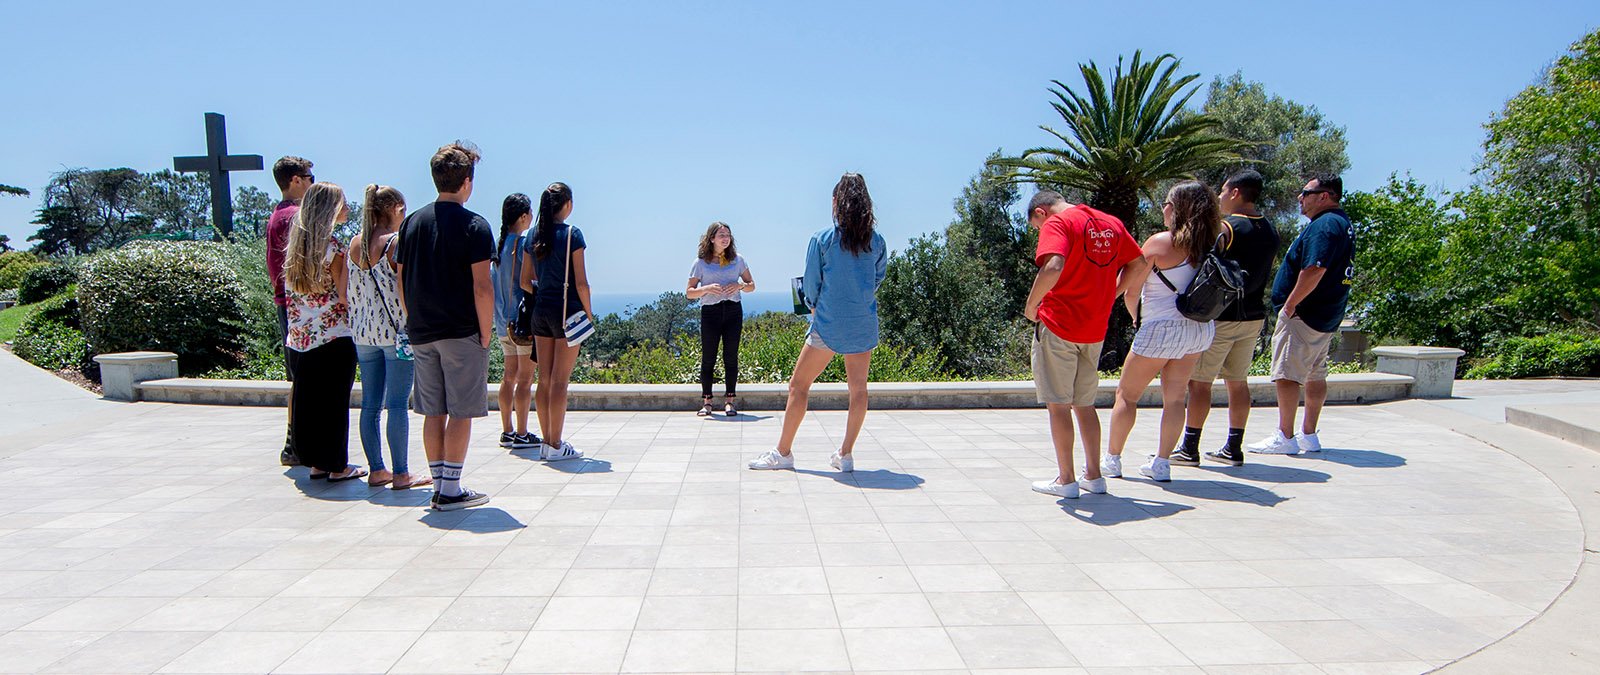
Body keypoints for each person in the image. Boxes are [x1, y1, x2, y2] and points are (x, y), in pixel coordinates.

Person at [748, 173, 886, 473]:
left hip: (828, 323)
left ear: (836, 202)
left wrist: (814, 305)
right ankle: (845, 455)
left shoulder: (822, 240)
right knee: (858, 389)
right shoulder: (876, 241)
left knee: (799, 386)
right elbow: (877, 277)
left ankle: (783, 453)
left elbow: (811, 285)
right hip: (862, 322)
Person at [1024, 191, 1146, 499]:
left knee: (1058, 405)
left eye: (1037, 227)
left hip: (1059, 323)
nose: (1040, 232)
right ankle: (1094, 475)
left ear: (1041, 213)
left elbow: (1052, 266)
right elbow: (1139, 263)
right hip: (1094, 328)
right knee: (1084, 404)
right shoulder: (1110, 223)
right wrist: (1112, 294)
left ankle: (1066, 480)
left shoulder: (1059, 222)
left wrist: (1031, 305)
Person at [395, 142, 495, 511]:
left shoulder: (412, 223)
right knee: (462, 410)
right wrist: (485, 333)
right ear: (466, 181)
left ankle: (439, 485)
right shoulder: (475, 226)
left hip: (422, 330)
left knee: (432, 410)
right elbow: (482, 287)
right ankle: (450, 489)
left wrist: (412, 318)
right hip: (461, 330)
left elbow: (401, 279)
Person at [1104, 181, 1222, 483]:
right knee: (1174, 399)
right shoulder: (1211, 243)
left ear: (1177, 208)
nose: (1164, 209)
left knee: (1126, 396)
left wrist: (1135, 318)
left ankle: (1113, 460)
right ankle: (1161, 463)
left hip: (1159, 329)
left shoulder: (1159, 243)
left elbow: (1132, 290)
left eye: (1167, 203)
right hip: (1197, 329)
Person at [1179, 170, 1281, 467]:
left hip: (1221, 316)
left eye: (1223, 191)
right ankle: (1233, 447)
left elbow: (1205, 263)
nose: (1220, 197)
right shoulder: (1270, 230)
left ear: (1236, 193)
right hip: (1252, 316)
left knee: (1199, 383)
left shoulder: (1228, 227)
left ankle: (1189, 447)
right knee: (1238, 382)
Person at [1249, 174, 1355, 455]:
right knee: (1315, 374)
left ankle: (1285, 436)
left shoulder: (1325, 225)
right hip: (1326, 315)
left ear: (1325, 196)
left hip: (1305, 315)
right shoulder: (1342, 224)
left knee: (1287, 374)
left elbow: (1314, 269)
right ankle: (1309, 434)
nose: (1300, 198)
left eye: (1306, 192)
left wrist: (1290, 305)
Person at [347, 184, 430, 490]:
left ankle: (376, 469)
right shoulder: (394, 243)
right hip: (394, 334)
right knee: (396, 404)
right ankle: (401, 472)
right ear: (394, 208)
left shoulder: (354, 244)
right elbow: (405, 285)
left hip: (363, 334)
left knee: (370, 404)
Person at [283, 181, 365, 482]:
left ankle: (317, 462)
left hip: (300, 338)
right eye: (342, 203)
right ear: (330, 210)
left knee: (311, 402)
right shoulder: (335, 250)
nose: (347, 208)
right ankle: (337, 465)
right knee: (334, 404)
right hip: (333, 335)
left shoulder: (295, 250)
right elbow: (344, 296)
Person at [519, 182, 589, 462]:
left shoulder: (532, 234)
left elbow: (525, 281)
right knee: (561, 382)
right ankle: (556, 443)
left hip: (541, 311)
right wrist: (588, 312)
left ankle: (547, 443)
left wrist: (544, 292)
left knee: (544, 379)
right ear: (567, 204)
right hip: (567, 311)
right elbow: (581, 283)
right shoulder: (573, 234)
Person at [268, 156, 313, 467]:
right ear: (295, 180)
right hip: (300, 308)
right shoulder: (296, 217)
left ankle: (293, 443)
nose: (312, 182)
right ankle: (296, 445)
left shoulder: (277, 215)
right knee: (305, 378)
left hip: (286, 305)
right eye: (309, 177)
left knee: (298, 378)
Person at [686, 221, 755, 417]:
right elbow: (689, 293)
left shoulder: (738, 260)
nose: (726, 238)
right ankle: (707, 402)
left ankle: (730, 402)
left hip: (733, 310)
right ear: (711, 238)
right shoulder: (700, 263)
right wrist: (706, 289)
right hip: (710, 312)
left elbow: (752, 285)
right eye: (721, 235)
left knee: (730, 356)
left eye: (728, 234)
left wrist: (740, 285)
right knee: (708, 357)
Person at [493, 193, 541, 451]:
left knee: (508, 377)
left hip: (502, 323)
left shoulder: (498, 247)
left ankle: (507, 430)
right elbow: (529, 281)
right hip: (522, 323)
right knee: (525, 379)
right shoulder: (521, 246)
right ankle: (523, 432)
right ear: (523, 216)